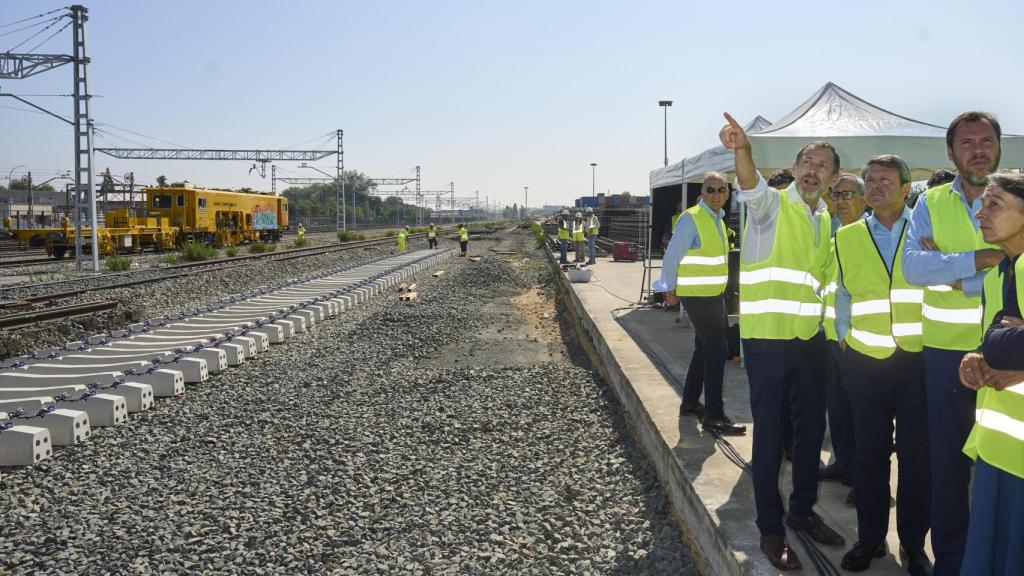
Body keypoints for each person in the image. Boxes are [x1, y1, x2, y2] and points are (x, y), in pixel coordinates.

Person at [719, 112, 843, 570]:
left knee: (812, 430)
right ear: (796, 168)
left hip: (810, 341)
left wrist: (832, 333)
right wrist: (742, 150)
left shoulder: (825, 219)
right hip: (769, 341)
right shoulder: (771, 205)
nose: (814, 170)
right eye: (807, 162)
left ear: (832, 177)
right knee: (769, 437)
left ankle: (803, 510)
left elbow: (824, 284)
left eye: (823, 165)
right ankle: (771, 529)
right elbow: (749, 184)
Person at [902, 111, 1005, 576]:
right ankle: (952, 562)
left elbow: (1017, 268)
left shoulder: (1015, 197)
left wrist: (954, 273)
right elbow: (914, 269)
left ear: (999, 148)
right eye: (967, 142)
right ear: (950, 152)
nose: (978, 148)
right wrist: (983, 257)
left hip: (1007, 353)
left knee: (1000, 463)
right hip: (944, 356)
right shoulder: (929, 201)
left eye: (986, 140)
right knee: (947, 466)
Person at [834, 155, 931, 575]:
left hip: (917, 360)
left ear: (907, 188)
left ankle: (912, 545)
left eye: (885, 180)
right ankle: (870, 539)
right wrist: (842, 334)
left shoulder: (927, 231)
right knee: (870, 458)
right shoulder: (848, 235)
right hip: (865, 362)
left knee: (916, 459)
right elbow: (841, 290)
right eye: (869, 180)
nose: (874, 187)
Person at [959, 171, 1024, 575]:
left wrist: (1003, 345)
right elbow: (993, 343)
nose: (980, 213)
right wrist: (973, 356)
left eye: (994, 204)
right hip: (998, 446)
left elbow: (1003, 345)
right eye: (982, 204)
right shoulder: (996, 276)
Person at [654, 171, 746, 436]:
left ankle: (691, 402)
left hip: (713, 294)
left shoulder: (716, 219)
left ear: (727, 194)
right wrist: (668, 288)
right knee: (718, 349)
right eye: (710, 190)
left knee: (703, 347)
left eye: (721, 190)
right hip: (697, 294)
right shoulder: (692, 218)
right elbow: (673, 254)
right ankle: (715, 416)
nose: (716, 195)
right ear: (701, 193)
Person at [820, 174, 867, 500]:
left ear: (864, 199)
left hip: (859, 338)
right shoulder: (834, 233)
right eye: (835, 194)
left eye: (848, 194)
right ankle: (844, 462)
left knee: (861, 412)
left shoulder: (872, 233)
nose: (841, 200)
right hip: (832, 336)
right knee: (837, 408)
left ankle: (864, 477)